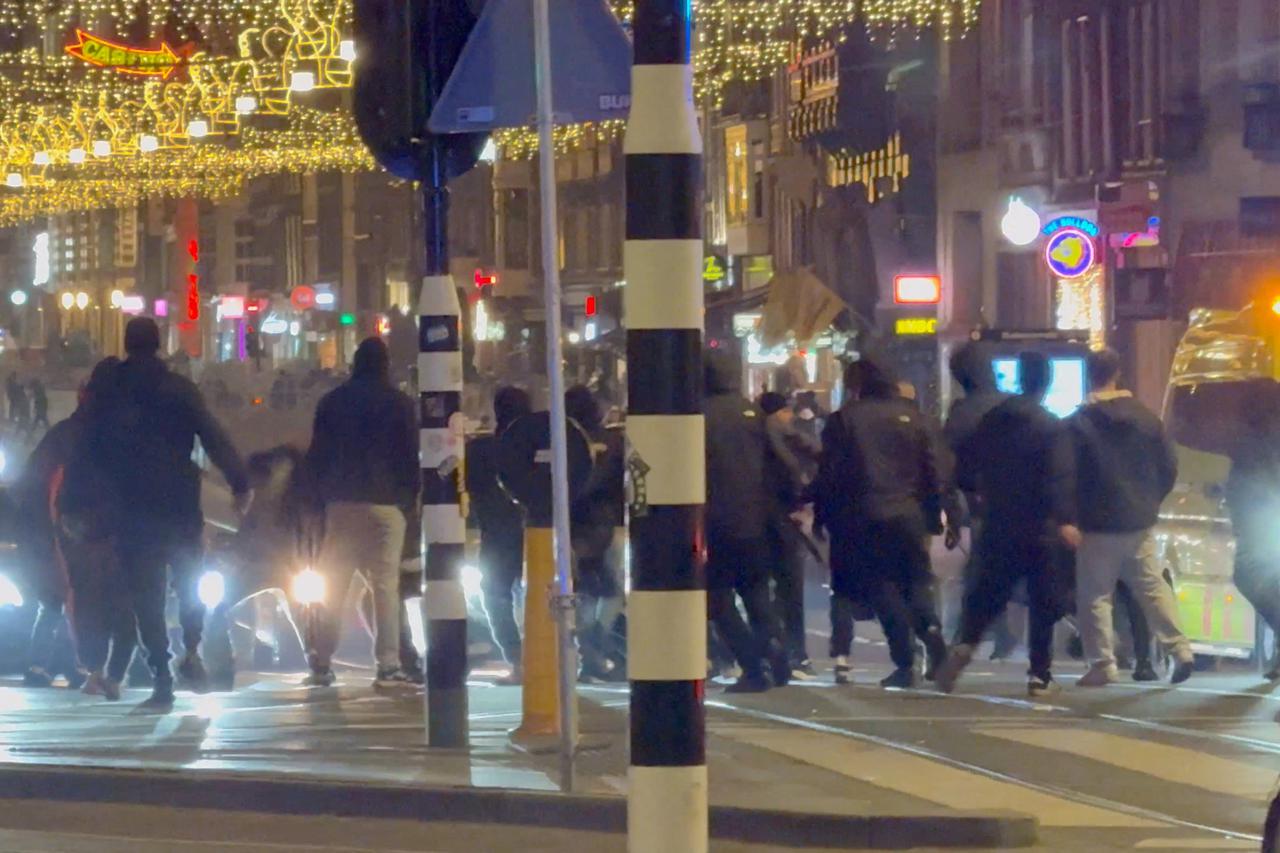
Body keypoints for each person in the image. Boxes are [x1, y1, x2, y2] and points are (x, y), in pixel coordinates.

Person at [62, 319, 250, 710]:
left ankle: (161, 678)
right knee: (189, 583)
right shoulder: (180, 390)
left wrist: (72, 502)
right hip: (180, 504)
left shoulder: (110, 394)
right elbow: (212, 435)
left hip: (131, 508)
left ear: (127, 344)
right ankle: (192, 648)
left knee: (146, 596)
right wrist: (239, 481)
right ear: (160, 345)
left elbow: (84, 452)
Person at [935, 351, 1073, 697]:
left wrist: (978, 495)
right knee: (1043, 600)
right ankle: (1039, 674)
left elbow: (963, 466)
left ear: (1018, 379)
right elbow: (1058, 477)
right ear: (1047, 382)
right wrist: (1066, 519)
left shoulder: (993, 420)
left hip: (997, 519)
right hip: (1039, 525)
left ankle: (964, 646)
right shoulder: (1051, 425)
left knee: (988, 591)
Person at [1060, 349, 1193, 687]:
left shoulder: (1079, 422)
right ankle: (1180, 649)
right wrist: (1151, 501)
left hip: (1098, 523)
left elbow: (1066, 473)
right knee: (1151, 587)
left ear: (1088, 375)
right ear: (1117, 373)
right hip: (1139, 520)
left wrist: (1069, 516)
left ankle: (1102, 664)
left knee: (1095, 596)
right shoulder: (1148, 419)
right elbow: (1169, 465)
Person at [813, 356, 948, 689]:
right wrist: (934, 516)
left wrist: (823, 515)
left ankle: (905, 661)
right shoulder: (918, 419)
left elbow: (831, 473)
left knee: (882, 586)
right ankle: (932, 635)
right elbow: (935, 470)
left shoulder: (845, 419)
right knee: (917, 581)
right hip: (910, 514)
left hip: (864, 515)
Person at [305, 337, 420, 690]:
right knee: (385, 586)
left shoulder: (332, 402)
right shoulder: (400, 404)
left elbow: (317, 456)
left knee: (335, 586)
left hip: (340, 504)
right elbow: (410, 455)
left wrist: (317, 501)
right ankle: (388, 664)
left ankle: (322, 661)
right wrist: (407, 500)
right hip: (386, 504)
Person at [704, 349, 789, 693]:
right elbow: (782, 464)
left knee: (719, 600)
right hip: (755, 519)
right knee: (757, 596)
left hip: (714, 521)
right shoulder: (753, 413)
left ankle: (753, 666)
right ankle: (778, 658)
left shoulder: (697, 414)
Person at [943, 342, 1016, 658]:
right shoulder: (1013, 404)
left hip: (982, 502)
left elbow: (947, 465)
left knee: (982, 570)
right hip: (1021, 499)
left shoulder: (963, 413)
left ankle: (968, 637)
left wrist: (950, 513)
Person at [466, 386, 531, 683]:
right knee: (545, 598)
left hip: (496, 535)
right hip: (540, 532)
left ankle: (518, 660)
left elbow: (469, 488)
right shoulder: (541, 445)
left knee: (494, 596)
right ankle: (549, 657)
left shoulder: (481, 450)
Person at [565, 385, 626, 681]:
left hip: (575, 525)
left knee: (585, 591)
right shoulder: (613, 440)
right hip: (608, 521)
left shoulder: (564, 440)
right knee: (612, 590)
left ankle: (589, 652)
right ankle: (598, 642)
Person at [759, 391, 820, 677]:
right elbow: (802, 461)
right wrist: (803, 497)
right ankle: (795, 654)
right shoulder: (777, 432)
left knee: (762, 590)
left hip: (758, 521)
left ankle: (771, 650)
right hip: (782, 520)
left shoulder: (754, 435)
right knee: (789, 589)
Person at [1224, 379, 1280, 680]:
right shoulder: (1249, 436)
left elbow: (1239, 482)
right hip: (1264, 522)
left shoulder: (1248, 437)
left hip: (1260, 524)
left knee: (1248, 573)